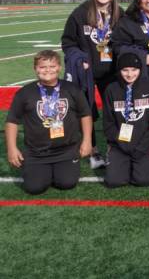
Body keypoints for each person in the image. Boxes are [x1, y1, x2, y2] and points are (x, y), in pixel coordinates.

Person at [5, 51, 92, 194]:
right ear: (35, 69)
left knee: (67, 183)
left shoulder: (72, 89)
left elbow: (85, 114)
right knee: (34, 187)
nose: (47, 70)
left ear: (59, 67)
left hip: (66, 149)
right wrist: (12, 148)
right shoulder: (25, 92)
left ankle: (59, 169)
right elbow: (12, 121)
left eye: (52, 66)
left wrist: (87, 140)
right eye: (42, 67)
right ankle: (41, 171)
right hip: (36, 152)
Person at [61, 0, 121, 168]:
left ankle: (115, 148)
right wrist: (80, 59)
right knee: (86, 110)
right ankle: (93, 150)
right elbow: (68, 42)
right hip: (86, 72)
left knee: (114, 110)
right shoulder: (80, 13)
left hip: (112, 71)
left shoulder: (121, 14)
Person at [102, 53, 149, 188]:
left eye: (134, 70)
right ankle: (121, 163)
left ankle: (135, 163)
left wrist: (142, 147)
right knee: (113, 181)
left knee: (143, 181)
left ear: (140, 70)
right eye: (125, 70)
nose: (129, 74)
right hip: (120, 144)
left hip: (144, 145)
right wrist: (121, 144)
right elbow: (108, 123)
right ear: (119, 70)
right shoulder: (111, 90)